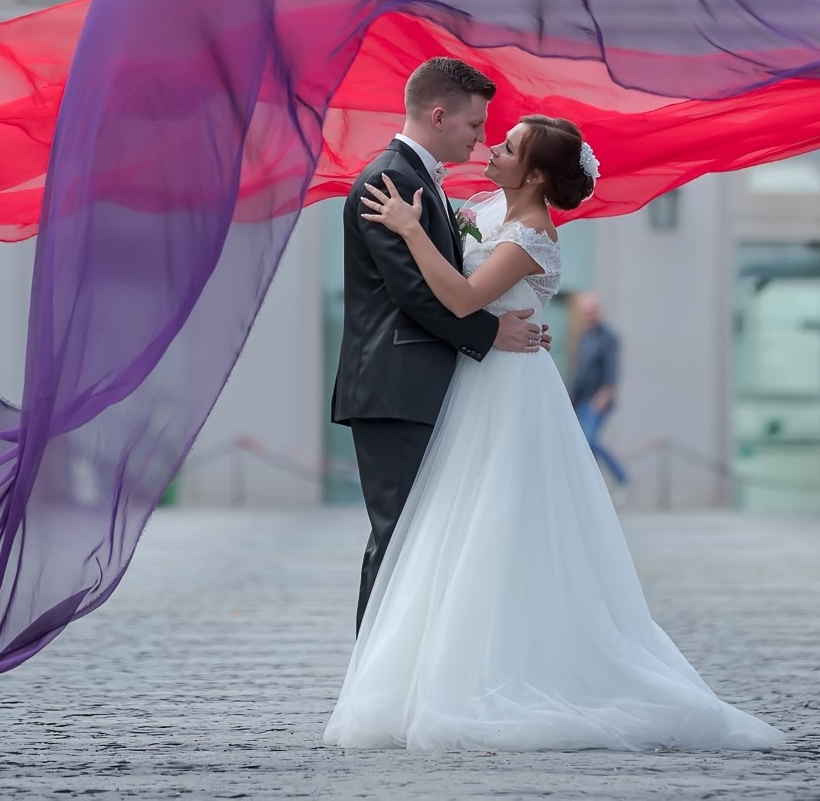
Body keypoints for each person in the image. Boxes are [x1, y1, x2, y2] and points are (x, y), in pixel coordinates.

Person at [325, 113, 783, 752]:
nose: (492, 146)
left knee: (497, 528)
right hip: (475, 380)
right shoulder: (485, 208)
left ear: (535, 174)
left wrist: (408, 229)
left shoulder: (534, 232)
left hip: (509, 389)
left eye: (508, 146)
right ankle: (422, 673)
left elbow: (460, 297)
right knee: (449, 528)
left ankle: (498, 672)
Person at [332, 58, 550, 633]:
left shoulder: (419, 179)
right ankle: (370, 684)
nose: (481, 139)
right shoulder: (392, 180)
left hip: (422, 382)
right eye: (475, 125)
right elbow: (415, 294)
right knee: (400, 535)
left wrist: (505, 318)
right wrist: (492, 332)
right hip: (395, 385)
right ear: (438, 114)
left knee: (423, 539)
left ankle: (402, 679)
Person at [569, 293, 630, 484]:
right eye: (585, 311)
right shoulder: (584, 336)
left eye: (592, 311)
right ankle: (591, 484)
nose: (589, 315)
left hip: (596, 399)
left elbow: (612, 369)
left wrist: (604, 395)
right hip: (580, 398)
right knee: (581, 444)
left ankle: (622, 477)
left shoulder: (608, 337)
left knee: (588, 439)